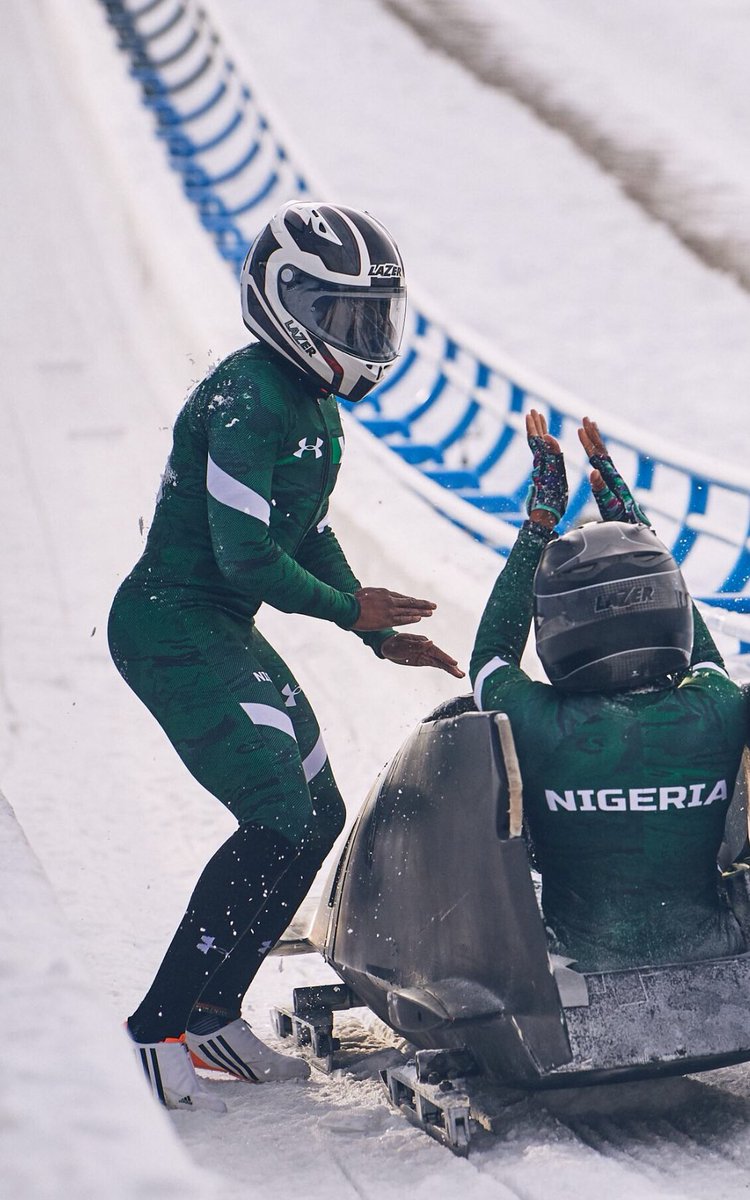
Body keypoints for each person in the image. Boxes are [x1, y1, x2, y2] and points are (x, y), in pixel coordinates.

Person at [109, 200, 464, 1112]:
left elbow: (304, 530)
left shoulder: (309, 401)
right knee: (275, 815)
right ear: (284, 300)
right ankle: (153, 1027)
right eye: (345, 316)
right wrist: (352, 608)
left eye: (373, 318)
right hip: (170, 627)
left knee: (317, 814)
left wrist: (373, 630)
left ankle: (213, 1014)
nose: (365, 337)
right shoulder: (245, 397)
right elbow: (247, 557)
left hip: (216, 626)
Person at [470, 410, 747, 972]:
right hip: (718, 947)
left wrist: (539, 523)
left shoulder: (533, 718)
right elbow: (705, 656)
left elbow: (490, 658)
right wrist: (636, 528)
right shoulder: (718, 707)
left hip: (578, 961)